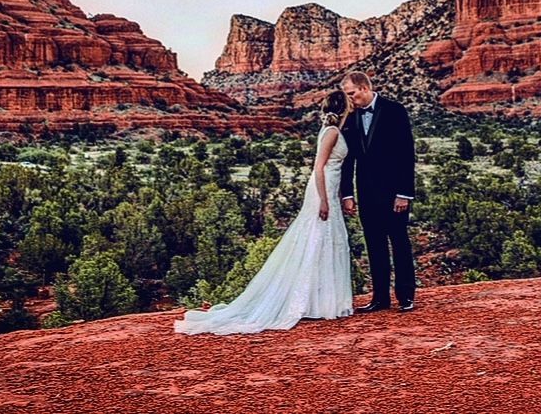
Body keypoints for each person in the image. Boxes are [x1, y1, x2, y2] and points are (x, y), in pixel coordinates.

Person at [173, 91, 354, 334]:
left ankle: (321, 302)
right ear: (343, 107)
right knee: (317, 238)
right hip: (323, 189)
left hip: (330, 188)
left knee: (325, 240)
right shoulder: (332, 133)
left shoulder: (333, 130)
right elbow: (318, 168)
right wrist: (323, 199)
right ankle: (314, 303)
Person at [338, 71, 417, 312]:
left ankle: (406, 296)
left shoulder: (395, 110)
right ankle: (380, 298)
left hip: (395, 193)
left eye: (352, 94)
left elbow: (406, 153)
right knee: (374, 245)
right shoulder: (350, 117)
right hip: (366, 192)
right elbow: (346, 159)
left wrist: (404, 193)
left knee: (399, 242)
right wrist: (347, 194)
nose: (350, 99)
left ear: (364, 87)